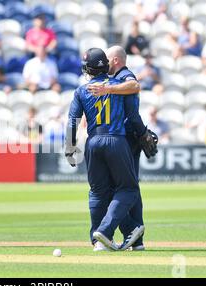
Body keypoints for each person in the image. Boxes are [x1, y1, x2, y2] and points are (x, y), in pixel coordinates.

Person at [65, 48, 156, 251]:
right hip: (116, 141)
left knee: (98, 193)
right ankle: (107, 232)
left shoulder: (81, 91)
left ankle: (99, 242)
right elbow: (135, 90)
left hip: (93, 142)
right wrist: (143, 134)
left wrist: (70, 147)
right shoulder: (119, 85)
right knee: (129, 189)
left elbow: (73, 121)